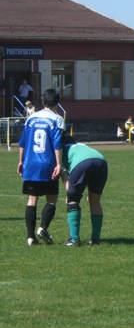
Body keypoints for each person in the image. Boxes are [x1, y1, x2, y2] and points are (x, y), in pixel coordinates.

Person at [17, 89, 64, 246]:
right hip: (47, 164)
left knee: (32, 199)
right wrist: (59, 164)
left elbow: (22, 142)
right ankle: (42, 228)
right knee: (52, 199)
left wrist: (20, 161)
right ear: (57, 103)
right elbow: (57, 144)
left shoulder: (31, 118)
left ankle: (30, 237)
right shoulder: (57, 119)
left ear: (43, 101)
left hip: (30, 164)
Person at [61, 135, 108, 246]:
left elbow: (65, 175)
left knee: (72, 201)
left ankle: (74, 239)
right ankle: (95, 239)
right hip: (101, 161)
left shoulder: (61, 151)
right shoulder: (81, 145)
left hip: (82, 163)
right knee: (95, 201)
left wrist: (69, 195)